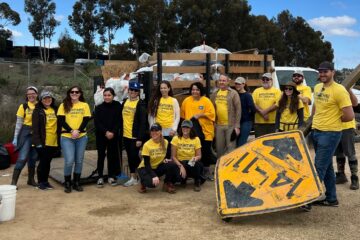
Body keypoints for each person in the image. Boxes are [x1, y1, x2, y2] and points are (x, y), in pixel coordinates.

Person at [311, 61, 354, 207]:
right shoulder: (317, 87)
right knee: (327, 166)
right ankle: (331, 198)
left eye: (325, 71)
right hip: (316, 131)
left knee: (318, 167)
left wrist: (333, 120)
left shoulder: (340, 90)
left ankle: (307, 199)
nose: (322, 74)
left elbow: (349, 115)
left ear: (333, 72)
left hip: (330, 134)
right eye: (320, 71)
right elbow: (317, 107)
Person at [57, 86, 91, 193]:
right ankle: (67, 183)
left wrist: (78, 131)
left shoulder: (84, 105)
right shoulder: (63, 105)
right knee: (69, 161)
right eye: (72, 92)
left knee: (79, 161)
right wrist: (72, 131)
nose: (74, 93)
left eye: (77, 92)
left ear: (80, 94)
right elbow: (61, 120)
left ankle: (76, 182)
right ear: (69, 93)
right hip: (67, 137)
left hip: (81, 137)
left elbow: (86, 120)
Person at [180, 82, 216, 180]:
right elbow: (182, 116)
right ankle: (194, 172)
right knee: (193, 151)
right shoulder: (186, 101)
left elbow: (212, 114)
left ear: (200, 91)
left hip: (206, 131)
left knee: (206, 151)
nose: (195, 91)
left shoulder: (206, 101)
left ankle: (207, 171)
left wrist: (200, 115)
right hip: (192, 131)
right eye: (193, 89)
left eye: (197, 89)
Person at [137, 123, 179, 194]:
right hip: (145, 168)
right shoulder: (147, 145)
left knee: (172, 164)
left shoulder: (165, 142)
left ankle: (167, 183)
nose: (154, 132)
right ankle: (143, 182)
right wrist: (154, 176)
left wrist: (166, 159)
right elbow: (147, 164)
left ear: (160, 132)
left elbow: (167, 154)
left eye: (156, 130)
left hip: (157, 167)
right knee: (153, 184)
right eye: (152, 131)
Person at [11, 86, 39, 188]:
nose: (31, 95)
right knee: (22, 157)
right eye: (29, 94)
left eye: (33, 93)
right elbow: (19, 124)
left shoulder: (40, 106)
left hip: (37, 134)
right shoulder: (23, 106)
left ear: (36, 94)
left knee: (33, 157)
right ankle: (13, 182)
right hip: (26, 133)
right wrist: (15, 137)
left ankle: (30, 180)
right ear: (26, 96)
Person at [94, 87, 122, 187]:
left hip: (113, 136)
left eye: (109, 95)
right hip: (101, 135)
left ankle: (111, 176)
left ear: (113, 96)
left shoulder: (118, 106)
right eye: (105, 95)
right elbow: (97, 123)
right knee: (101, 156)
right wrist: (106, 132)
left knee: (112, 156)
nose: (107, 97)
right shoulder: (99, 107)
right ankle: (100, 177)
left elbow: (119, 121)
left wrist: (113, 132)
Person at [121, 81, 147, 187]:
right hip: (125, 134)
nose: (133, 92)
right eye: (131, 90)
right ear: (128, 91)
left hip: (135, 136)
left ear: (138, 92)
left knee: (133, 156)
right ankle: (135, 176)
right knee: (130, 156)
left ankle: (139, 175)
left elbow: (143, 123)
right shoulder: (125, 102)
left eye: (135, 90)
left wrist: (140, 138)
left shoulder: (140, 104)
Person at [32, 90, 58, 190]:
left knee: (47, 162)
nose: (47, 100)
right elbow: (35, 128)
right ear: (41, 100)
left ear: (52, 99)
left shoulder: (55, 109)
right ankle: (41, 182)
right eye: (45, 98)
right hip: (43, 142)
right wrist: (37, 143)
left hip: (53, 141)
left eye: (49, 98)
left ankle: (46, 181)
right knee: (43, 162)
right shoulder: (37, 111)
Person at [210, 74, 241, 158]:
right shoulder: (214, 94)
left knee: (231, 149)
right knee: (219, 150)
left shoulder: (233, 93)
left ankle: (231, 170)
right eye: (220, 80)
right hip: (218, 126)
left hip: (230, 126)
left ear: (228, 82)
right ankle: (220, 169)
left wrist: (237, 126)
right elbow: (211, 109)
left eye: (224, 80)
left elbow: (238, 110)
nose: (222, 82)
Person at [148, 80, 180, 156]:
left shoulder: (174, 100)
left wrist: (174, 129)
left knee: (169, 152)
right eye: (161, 88)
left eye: (165, 88)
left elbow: (177, 116)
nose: (163, 90)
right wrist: (152, 129)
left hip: (170, 130)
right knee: (160, 151)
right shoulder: (156, 101)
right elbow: (151, 116)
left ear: (169, 88)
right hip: (159, 130)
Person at [335, 89, 359, 190]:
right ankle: (341, 175)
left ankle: (354, 178)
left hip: (347, 127)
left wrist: (349, 90)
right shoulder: (332, 90)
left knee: (350, 152)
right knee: (339, 152)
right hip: (335, 126)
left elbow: (355, 103)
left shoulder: (345, 91)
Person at [171, 120, 203, 192]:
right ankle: (183, 179)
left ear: (191, 129)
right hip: (180, 162)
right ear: (181, 128)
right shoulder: (176, 138)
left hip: (191, 162)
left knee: (197, 163)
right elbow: (173, 156)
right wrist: (180, 166)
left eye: (187, 127)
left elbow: (199, 155)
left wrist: (196, 158)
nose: (185, 129)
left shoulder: (196, 139)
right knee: (176, 174)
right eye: (183, 127)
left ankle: (197, 181)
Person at [252, 73, 281, 137]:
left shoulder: (277, 91)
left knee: (271, 143)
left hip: (273, 123)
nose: (265, 81)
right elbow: (253, 103)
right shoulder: (256, 91)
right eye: (263, 79)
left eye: (267, 79)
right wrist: (262, 113)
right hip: (259, 123)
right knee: (259, 143)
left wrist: (264, 112)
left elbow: (277, 104)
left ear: (271, 80)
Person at [234, 77, 256, 147]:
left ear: (243, 84)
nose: (237, 85)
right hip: (236, 122)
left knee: (241, 143)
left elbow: (253, 109)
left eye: (239, 84)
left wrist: (248, 117)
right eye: (236, 84)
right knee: (235, 143)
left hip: (245, 122)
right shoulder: (234, 94)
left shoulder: (247, 95)